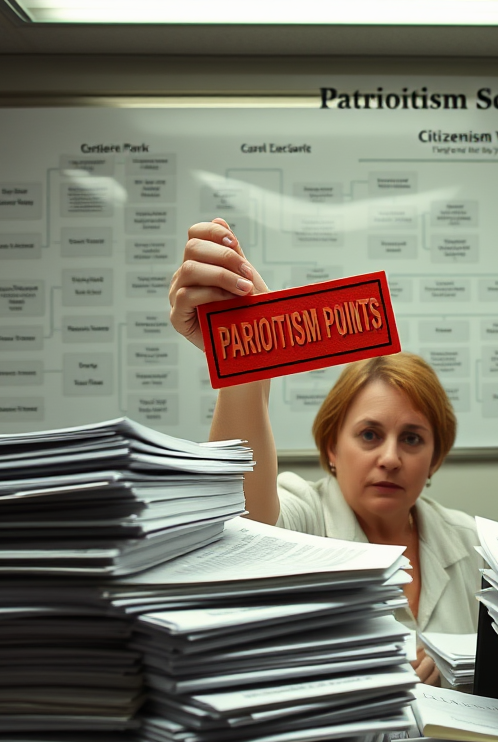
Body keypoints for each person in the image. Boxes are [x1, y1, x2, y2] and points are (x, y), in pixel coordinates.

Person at [168, 218, 480, 685]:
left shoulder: (473, 544)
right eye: (370, 435)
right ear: (332, 446)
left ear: (435, 458)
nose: (391, 458)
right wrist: (244, 355)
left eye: (412, 439)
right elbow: (240, 522)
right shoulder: (305, 517)